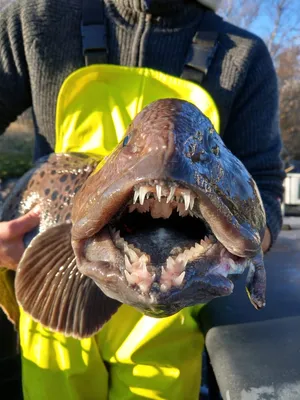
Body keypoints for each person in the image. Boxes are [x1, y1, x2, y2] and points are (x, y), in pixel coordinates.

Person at [0, 0, 284, 398]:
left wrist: (245, 247)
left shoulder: (243, 55)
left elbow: (266, 187)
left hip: (170, 334)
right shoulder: (36, 19)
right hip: (51, 298)